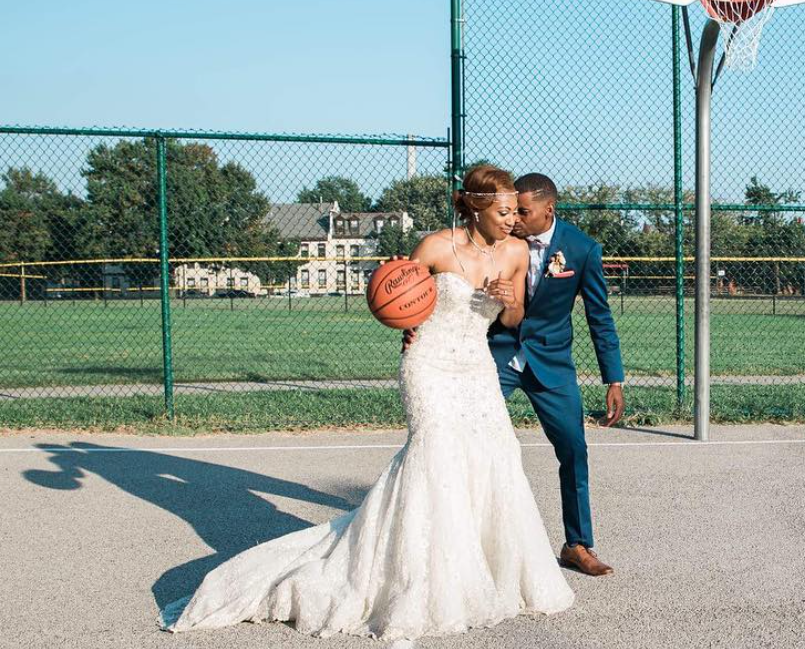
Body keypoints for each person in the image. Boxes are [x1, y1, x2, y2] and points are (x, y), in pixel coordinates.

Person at [157, 165, 574, 643]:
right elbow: (399, 300)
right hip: (430, 365)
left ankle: (480, 571)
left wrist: (506, 299)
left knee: (495, 455)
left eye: (514, 212)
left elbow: (515, 315)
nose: (511, 220)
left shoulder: (517, 252)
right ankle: (418, 581)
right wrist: (408, 324)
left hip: (477, 367)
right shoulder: (436, 246)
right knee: (433, 457)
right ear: (476, 208)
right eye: (502, 211)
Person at [495, 172, 625, 576]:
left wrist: (613, 378)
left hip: (551, 364)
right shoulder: (500, 241)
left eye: (523, 210)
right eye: (511, 209)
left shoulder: (582, 249)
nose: (514, 217)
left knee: (573, 450)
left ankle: (578, 544)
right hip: (497, 356)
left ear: (548, 209)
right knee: (467, 440)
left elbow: (599, 317)